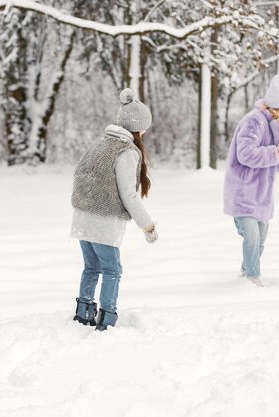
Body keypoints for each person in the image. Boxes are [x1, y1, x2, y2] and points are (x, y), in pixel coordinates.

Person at [70, 88, 158, 331]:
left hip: (83, 216)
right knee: (112, 269)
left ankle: (84, 312)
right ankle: (107, 318)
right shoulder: (126, 152)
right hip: (102, 219)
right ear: (138, 127)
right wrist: (147, 225)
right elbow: (128, 194)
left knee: (91, 267)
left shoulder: (101, 143)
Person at [223, 74, 279, 287]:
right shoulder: (254, 121)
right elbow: (246, 154)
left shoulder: (277, 126)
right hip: (242, 191)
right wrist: (277, 151)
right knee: (251, 236)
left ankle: (245, 271)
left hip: (262, 194)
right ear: (277, 108)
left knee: (261, 238)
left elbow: (274, 164)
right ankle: (252, 278)